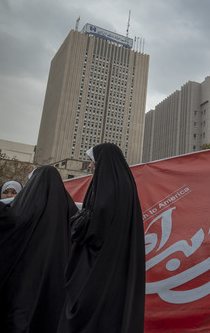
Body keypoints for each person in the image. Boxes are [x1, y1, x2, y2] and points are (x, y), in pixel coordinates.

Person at [58, 143, 145, 333]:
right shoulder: (125, 185)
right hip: (117, 270)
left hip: (97, 268)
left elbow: (94, 230)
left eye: (92, 161)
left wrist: (78, 222)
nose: (90, 166)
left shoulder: (108, 188)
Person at [0, 166, 77, 332]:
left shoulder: (25, 208)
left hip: (26, 275)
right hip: (58, 276)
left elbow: (10, 221)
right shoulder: (69, 209)